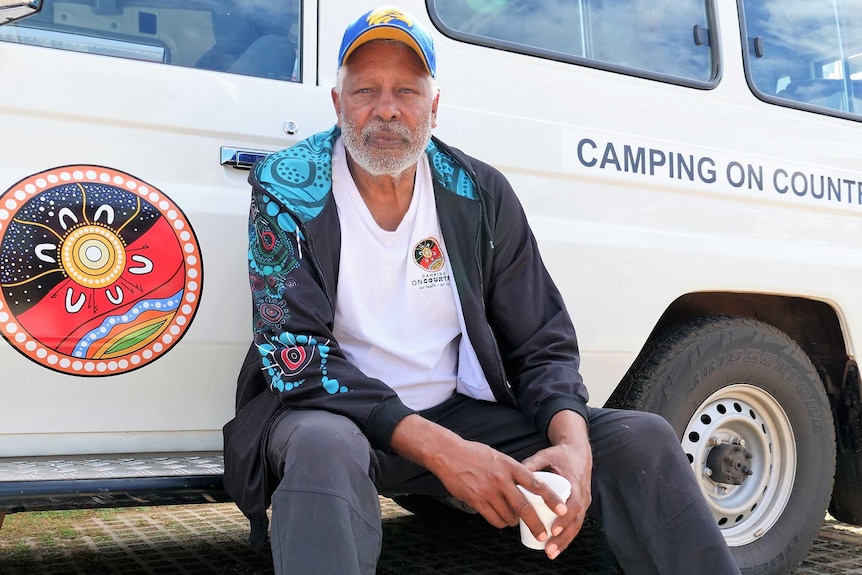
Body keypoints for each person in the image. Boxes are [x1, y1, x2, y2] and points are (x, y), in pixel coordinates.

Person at [223, 5, 741, 575]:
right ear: (337, 103)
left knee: (640, 438)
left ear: (435, 107)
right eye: (366, 89)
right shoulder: (286, 187)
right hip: (335, 419)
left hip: (456, 412)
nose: (387, 109)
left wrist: (572, 445)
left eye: (407, 90)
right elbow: (294, 356)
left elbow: (540, 339)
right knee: (323, 449)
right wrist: (447, 454)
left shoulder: (478, 192)